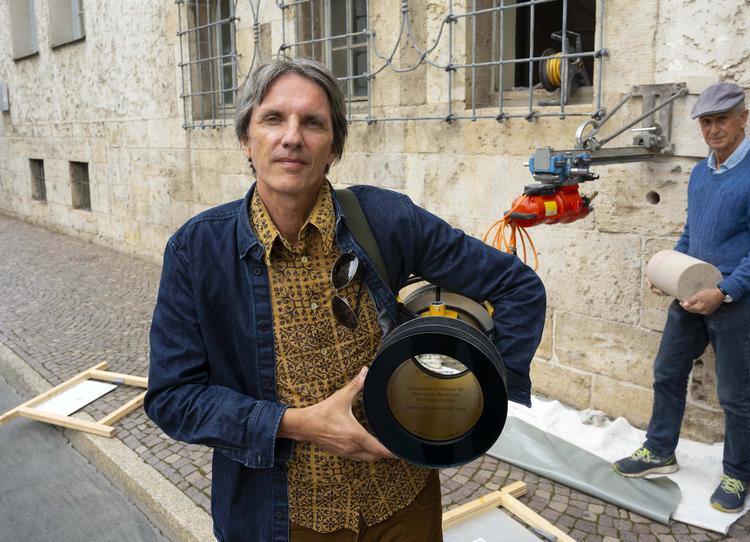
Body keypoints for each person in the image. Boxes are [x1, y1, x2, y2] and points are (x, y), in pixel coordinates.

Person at [144, 57, 546, 542]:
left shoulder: (385, 219)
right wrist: (298, 424)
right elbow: (173, 398)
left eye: (312, 122)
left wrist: (477, 394)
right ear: (246, 141)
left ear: (333, 146)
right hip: (285, 518)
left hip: (403, 504)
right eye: (273, 119)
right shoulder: (197, 250)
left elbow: (518, 287)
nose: (292, 136)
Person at [613, 82, 750, 513]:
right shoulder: (700, 171)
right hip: (692, 290)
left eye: (722, 119)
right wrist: (671, 271)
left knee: (734, 392)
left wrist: (725, 291)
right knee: (667, 371)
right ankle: (659, 451)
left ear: (743, 118)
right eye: (706, 122)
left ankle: (736, 474)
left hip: (739, 301)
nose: (714, 129)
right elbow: (693, 233)